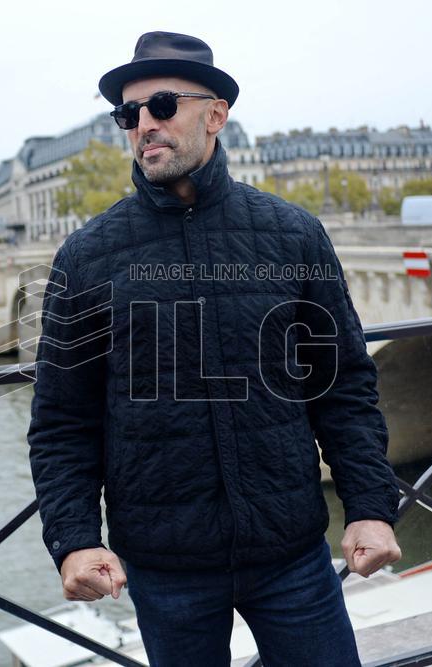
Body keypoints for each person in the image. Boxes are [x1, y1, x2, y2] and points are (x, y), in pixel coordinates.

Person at [27, 31, 400, 667]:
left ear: (216, 115)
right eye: (129, 113)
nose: (144, 123)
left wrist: (369, 507)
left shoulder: (293, 235)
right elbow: (64, 421)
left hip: (291, 553)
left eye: (162, 105)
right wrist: (72, 540)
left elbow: (343, 386)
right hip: (164, 566)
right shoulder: (87, 257)